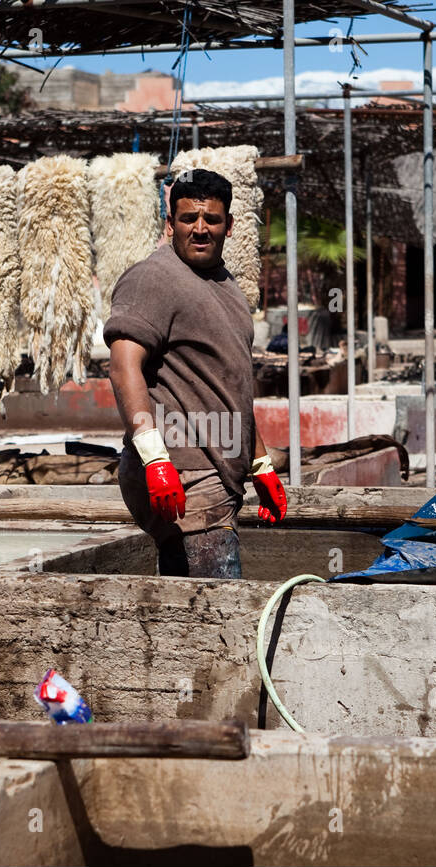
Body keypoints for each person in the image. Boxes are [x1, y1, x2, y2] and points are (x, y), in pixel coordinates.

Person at [105, 169, 287, 578]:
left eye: (212, 220)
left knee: (184, 606)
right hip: (184, 469)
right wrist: (154, 458)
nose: (200, 229)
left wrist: (260, 466)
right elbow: (122, 368)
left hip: (217, 466)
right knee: (219, 612)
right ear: (170, 224)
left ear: (230, 226)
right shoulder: (152, 278)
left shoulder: (225, 284)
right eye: (188, 219)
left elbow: (229, 386)